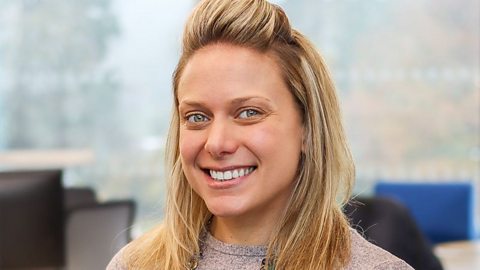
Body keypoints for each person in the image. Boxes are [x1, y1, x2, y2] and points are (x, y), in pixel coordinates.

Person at [107, 0, 413, 269]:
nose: (217, 143)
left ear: (307, 129)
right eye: (197, 117)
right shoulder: (134, 265)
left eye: (249, 113)